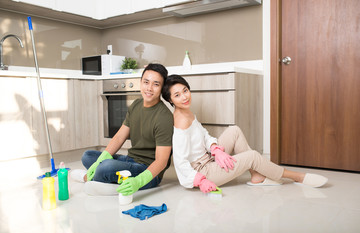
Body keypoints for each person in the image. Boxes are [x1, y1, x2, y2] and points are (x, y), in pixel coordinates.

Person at [161, 74, 328, 193]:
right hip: (203, 171)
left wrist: (215, 149)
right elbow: (180, 161)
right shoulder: (180, 122)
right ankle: (296, 177)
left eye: (185, 90)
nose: (184, 97)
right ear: (170, 100)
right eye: (177, 95)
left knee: (234, 130)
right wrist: (201, 181)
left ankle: (257, 176)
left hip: (209, 157)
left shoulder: (187, 112)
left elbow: (203, 134)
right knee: (253, 156)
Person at [71, 63, 173, 196]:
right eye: (146, 82)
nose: (149, 88)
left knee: (106, 167)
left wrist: (138, 181)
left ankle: (90, 178)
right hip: (130, 160)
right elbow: (119, 137)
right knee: (88, 156)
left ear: (162, 88)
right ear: (140, 82)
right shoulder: (136, 105)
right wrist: (100, 160)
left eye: (156, 84)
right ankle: (103, 177)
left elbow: (161, 161)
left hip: (147, 170)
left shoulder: (164, 117)